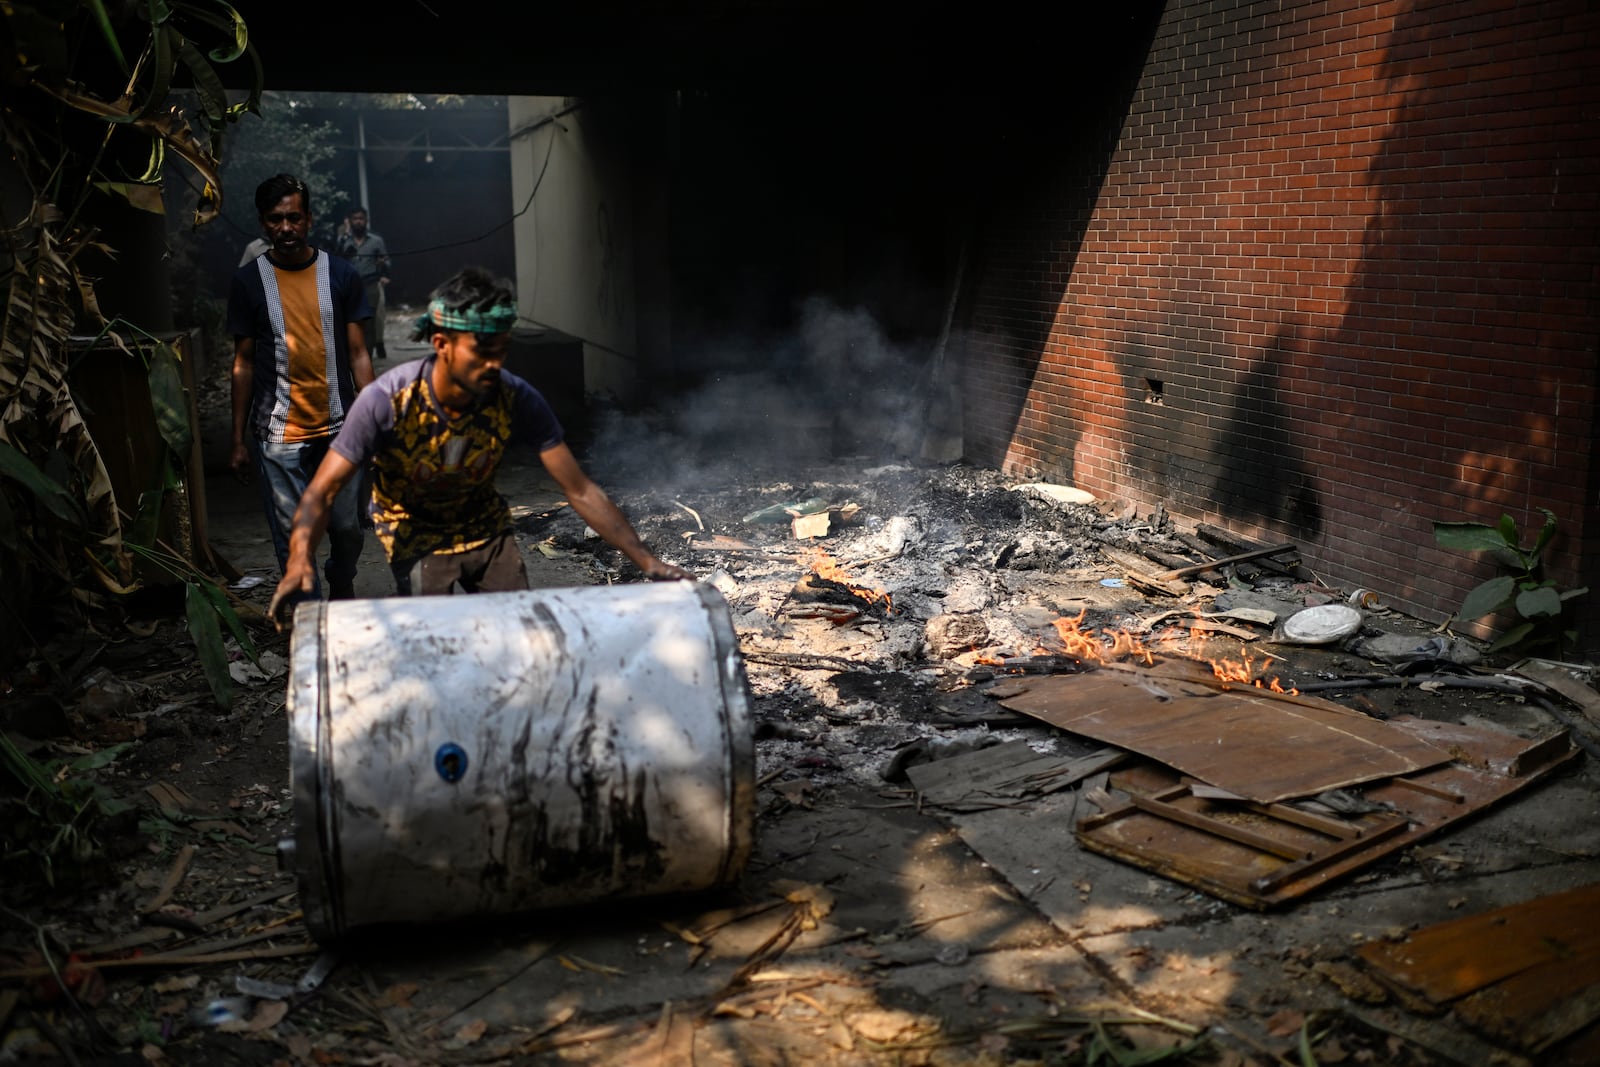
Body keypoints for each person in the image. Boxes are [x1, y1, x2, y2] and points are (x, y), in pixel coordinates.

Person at [268, 266, 689, 620]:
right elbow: (322, 491)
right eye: (482, 351)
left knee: (519, 636)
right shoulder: (387, 401)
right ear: (442, 344)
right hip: (416, 537)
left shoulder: (515, 395)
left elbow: (579, 488)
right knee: (439, 645)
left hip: (486, 532)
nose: (494, 364)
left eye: (502, 351)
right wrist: (300, 557)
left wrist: (647, 561)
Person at [229, 173, 375, 602]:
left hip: (340, 431)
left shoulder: (342, 275)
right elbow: (242, 362)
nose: (286, 228)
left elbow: (359, 353)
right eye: (276, 219)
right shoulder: (248, 282)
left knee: (348, 531)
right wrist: (237, 439)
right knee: (295, 542)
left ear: (308, 219)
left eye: (294, 217)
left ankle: (341, 577)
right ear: (263, 224)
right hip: (278, 438)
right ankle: (311, 625)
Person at [335, 206, 390, 360]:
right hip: (350, 287)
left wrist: (382, 264)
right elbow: (336, 260)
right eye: (355, 219)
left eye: (361, 219)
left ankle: (367, 355)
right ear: (350, 221)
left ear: (366, 221)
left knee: (370, 322)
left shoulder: (376, 241)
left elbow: (387, 262)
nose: (358, 222)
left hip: (370, 283)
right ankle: (352, 354)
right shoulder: (344, 241)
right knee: (351, 321)